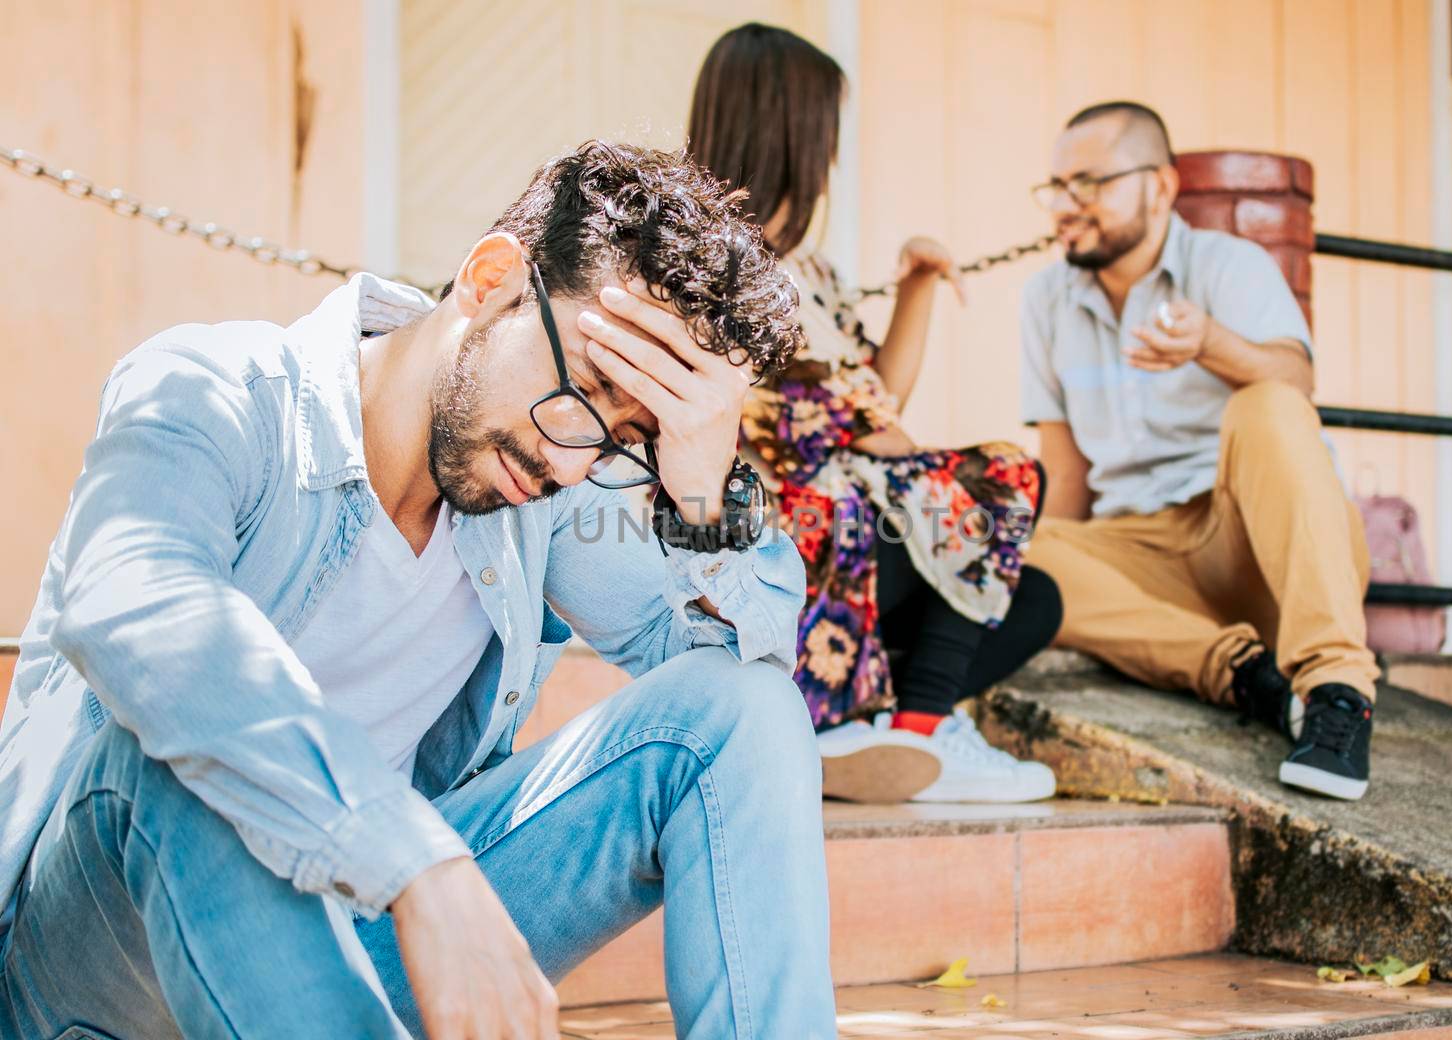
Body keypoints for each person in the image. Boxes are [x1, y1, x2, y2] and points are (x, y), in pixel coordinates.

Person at [0, 141, 838, 1040]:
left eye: (625, 437)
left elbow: (731, 682)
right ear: (488, 279)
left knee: (739, 706)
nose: (572, 460)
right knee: (167, 760)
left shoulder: (539, 491)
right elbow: (135, 604)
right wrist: (412, 858)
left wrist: (704, 494)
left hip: (366, 950)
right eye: (584, 391)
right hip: (107, 968)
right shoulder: (217, 391)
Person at [688, 22, 1061, 806]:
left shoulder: (810, 269)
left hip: (863, 532)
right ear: (789, 129)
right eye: (823, 127)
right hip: (795, 548)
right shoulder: (708, 266)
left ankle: (878, 732)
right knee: (1004, 478)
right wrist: (865, 435)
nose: (830, 153)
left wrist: (919, 284)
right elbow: (807, 424)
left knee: (1034, 601)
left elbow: (879, 401)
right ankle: (920, 729)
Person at [1020, 101, 1379, 801]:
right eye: (1058, 187)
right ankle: (1247, 678)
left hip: (1256, 547)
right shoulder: (1046, 299)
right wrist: (1067, 580)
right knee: (1008, 541)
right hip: (1147, 557)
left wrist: (1213, 344)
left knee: (1266, 402)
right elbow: (1065, 473)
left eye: (1089, 183)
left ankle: (1338, 689)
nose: (1067, 205)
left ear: (1160, 186)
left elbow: (1297, 381)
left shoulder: (1228, 265)